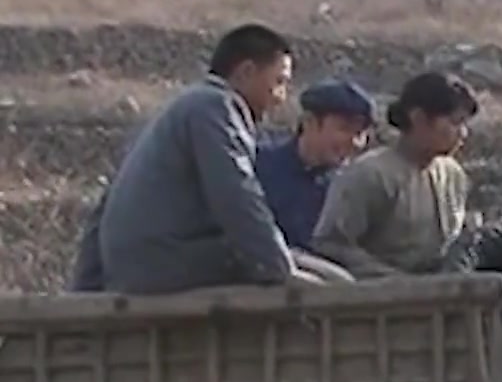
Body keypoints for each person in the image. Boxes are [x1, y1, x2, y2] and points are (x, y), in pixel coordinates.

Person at [67, 23, 337, 294]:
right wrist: (283, 271)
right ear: (247, 72)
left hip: (131, 267)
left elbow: (106, 206)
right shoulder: (216, 108)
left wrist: (85, 292)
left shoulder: (181, 109)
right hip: (164, 263)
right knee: (326, 280)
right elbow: (236, 196)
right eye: (279, 82)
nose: (281, 98)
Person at [309, 70, 477, 278]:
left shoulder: (453, 176)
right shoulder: (370, 174)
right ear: (419, 119)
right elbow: (330, 244)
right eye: (455, 122)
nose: (462, 133)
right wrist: (390, 277)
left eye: (464, 124)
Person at [256, 78, 376, 251]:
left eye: (360, 133)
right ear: (309, 122)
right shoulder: (259, 165)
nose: (355, 142)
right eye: (344, 129)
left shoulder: (351, 183)